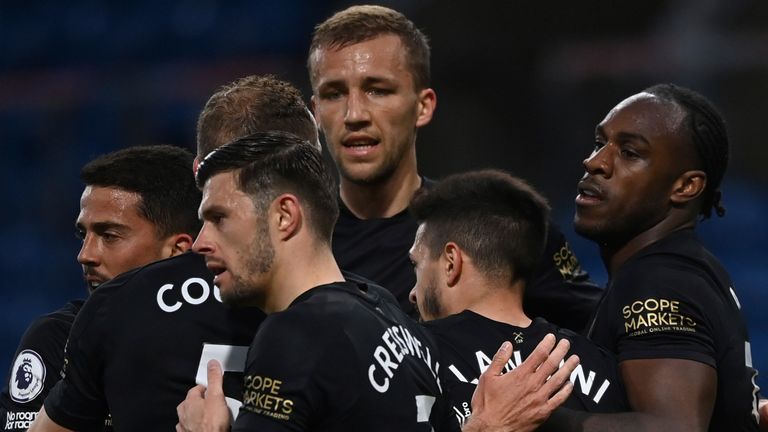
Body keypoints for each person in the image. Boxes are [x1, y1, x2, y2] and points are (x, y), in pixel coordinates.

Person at [176, 132, 579, 432]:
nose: (200, 242)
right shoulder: (387, 309)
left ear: (285, 216)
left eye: (218, 218)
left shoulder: (295, 333)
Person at [27, 75, 321, 432]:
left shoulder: (115, 307)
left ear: (200, 172)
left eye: (109, 234)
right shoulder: (368, 307)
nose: (85, 256)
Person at [307, 4, 602, 329]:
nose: (355, 114)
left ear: (423, 107)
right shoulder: (290, 248)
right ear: (316, 114)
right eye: (334, 94)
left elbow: (597, 337)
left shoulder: (501, 227)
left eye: (378, 90)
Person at [545, 84, 761, 430]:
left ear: (685, 186)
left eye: (629, 152)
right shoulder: (685, 269)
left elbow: (674, 427)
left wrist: (537, 418)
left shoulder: (659, 281)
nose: (594, 162)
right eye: (601, 143)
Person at [0, 144, 201, 431]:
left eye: (109, 235)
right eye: (83, 234)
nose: (85, 255)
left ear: (177, 251)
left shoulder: (231, 332)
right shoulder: (58, 339)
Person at [408, 169, 628, 429]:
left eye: (417, 266)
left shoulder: (412, 355)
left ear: (450, 262)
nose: (412, 293)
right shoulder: (602, 363)